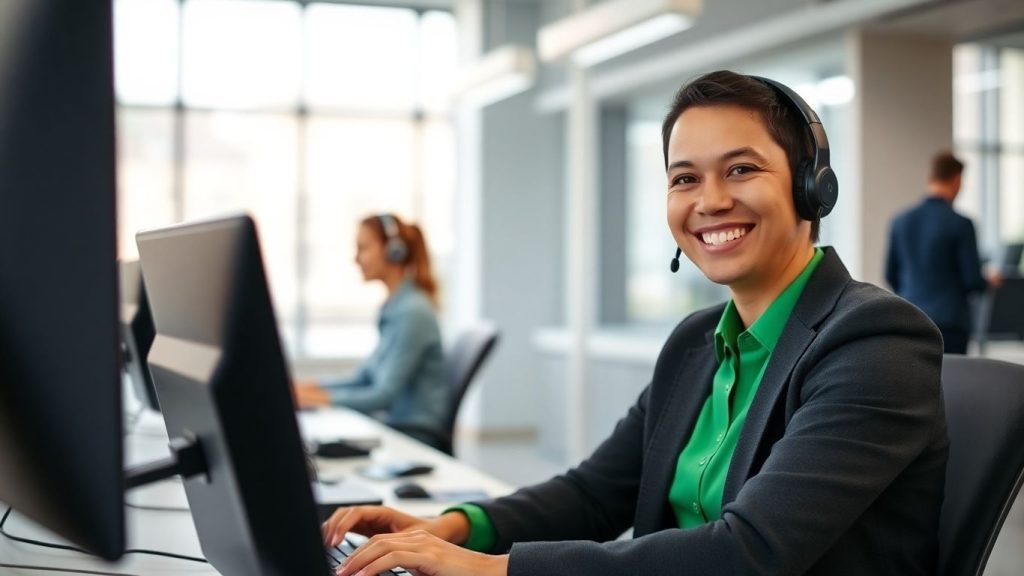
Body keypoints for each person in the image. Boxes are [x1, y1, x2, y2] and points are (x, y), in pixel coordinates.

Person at [322, 71, 947, 575]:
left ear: (812, 188)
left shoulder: (875, 342)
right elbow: (595, 492)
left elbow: (749, 553)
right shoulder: (695, 343)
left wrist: (492, 570)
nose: (710, 201)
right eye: (685, 178)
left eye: (741, 169)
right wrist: (453, 528)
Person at [294, 214, 448, 441]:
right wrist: (309, 388)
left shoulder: (413, 313)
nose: (356, 258)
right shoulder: (395, 308)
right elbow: (364, 378)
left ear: (394, 251)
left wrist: (311, 398)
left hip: (413, 434)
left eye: (363, 248)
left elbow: (383, 395)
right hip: (392, 426)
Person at [885, 151, 1002, 354]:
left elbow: (890, 275)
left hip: (909, 320)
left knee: (913, 374)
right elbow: (972, 280)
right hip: (950, 324)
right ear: (956, 179)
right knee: (951, 374)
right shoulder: (961, 224)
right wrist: (989, 281)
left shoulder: (900, 221)